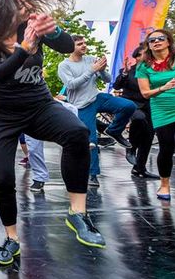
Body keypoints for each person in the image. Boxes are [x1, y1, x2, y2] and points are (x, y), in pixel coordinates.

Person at [0, 0, 102, 266]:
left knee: (78, 132)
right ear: (2, 8)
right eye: (21, 3)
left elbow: (66, 46)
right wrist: (23, 50)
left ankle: (78, 214)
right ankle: (11, 238)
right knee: (2, 178)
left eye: (27, 1)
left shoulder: (30, 26)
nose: (28, 7)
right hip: (1, 117)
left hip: (39, 105)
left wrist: (52, 31)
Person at [58, 35, 136, 187]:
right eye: (80, 44)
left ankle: (113, 130)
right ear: (70, 47)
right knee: (91, 141)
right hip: (81, 105)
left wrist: (101, 70)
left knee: (128, 106)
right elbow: (71, 85)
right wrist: (91, 70)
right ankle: (92, 174)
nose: (84, 45)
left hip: (96, 97)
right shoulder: (64, 65)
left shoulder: (91, 59)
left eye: (84, 43)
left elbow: (107, 80)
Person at [136, 28, 175, 201]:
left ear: (168, 41)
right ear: (148, 45)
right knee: (166, 147)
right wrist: (163, 88)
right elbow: (145, 93)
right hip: (163, 110)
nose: (156, 42)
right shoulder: (143, 66)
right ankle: (164, 185)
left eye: (160, 38)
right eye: (152, 40)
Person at [113, 45, 158, 179]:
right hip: (131, 104)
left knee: (148, 137)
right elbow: (116, 86)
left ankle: (139, 168)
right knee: (138, 118)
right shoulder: (128, 71)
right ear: (137, 56)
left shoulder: (153, 71)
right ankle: (131, 147)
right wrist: (125, 73)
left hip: (150, 105)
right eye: (145, 53)